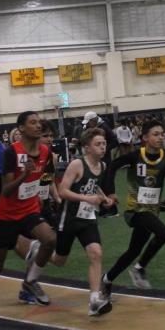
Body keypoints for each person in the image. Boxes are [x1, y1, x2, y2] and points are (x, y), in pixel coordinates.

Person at [0, 111, 57, 325]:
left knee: (50, 240)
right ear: (21, 128)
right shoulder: (11, 153)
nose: (38, 126)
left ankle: (30, 281)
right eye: (32, 123)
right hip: (6, 216)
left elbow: (43, 178)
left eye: (39, 122)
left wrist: (40, 195)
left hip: (29, 211)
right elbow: (6, 191)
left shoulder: (45, 152)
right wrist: (24, 175)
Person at [101, 119, 165, 294]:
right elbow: (111, 167)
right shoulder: (135, 156)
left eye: (162, 134)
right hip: (135, 211)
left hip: (152, 212)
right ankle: (139, 269)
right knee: (163, 234)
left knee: (133, 251)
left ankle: (106, 279)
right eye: (156, 134)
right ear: (145, 137)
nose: (160, 137)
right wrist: (111, 192)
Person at [54, 127, 115, 316]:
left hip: (87, 218)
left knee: (96, 253)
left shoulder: (102, 166)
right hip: (69, 218)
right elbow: (62, 191)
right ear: (87, 148)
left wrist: (104, 198)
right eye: (98, 144)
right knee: (59, 260)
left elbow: (94, 186)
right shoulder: (77, 164)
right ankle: (39, 251)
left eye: (104, 143)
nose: (103, 147)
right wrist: (87, 198)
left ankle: (94, 300)